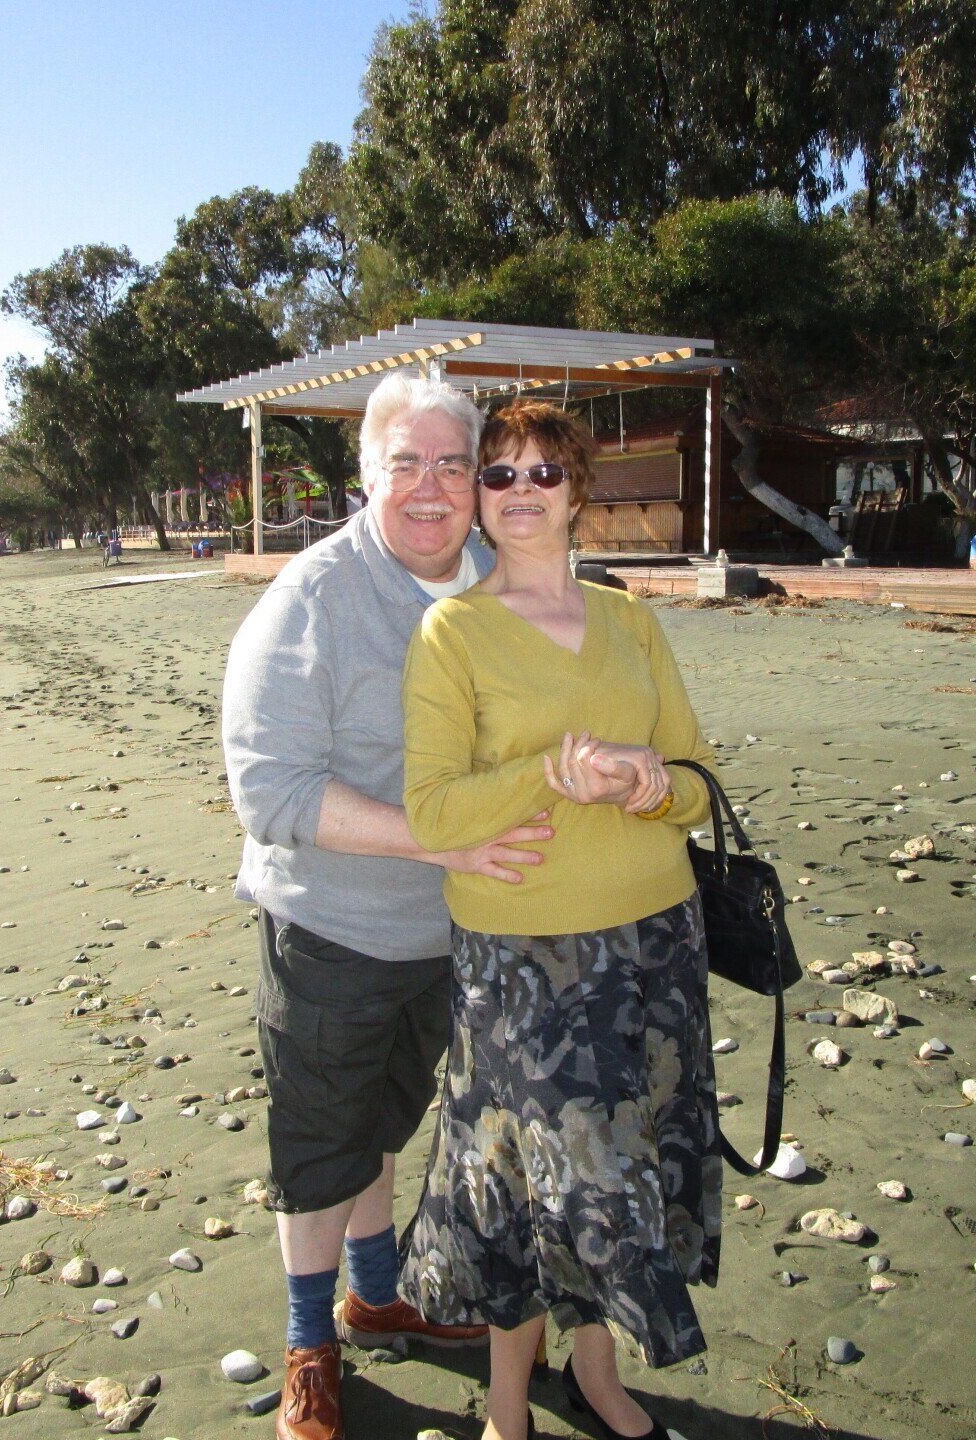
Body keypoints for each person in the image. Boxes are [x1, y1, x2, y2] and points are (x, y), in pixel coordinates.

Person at [221, 372, 557, 1440]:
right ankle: (311, 1346)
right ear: (365, 475)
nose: (428, 487)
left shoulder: (500, 587)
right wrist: (437, 835)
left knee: (386, 1120)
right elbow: (268, 789)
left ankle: (376, 1293)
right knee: (319, 1143)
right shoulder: (310, 599)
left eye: (450, 464)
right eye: (403, 463)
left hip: (454, 929)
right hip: (333, 926)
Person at [398, 401, 721, 1440]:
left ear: (580, 492)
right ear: (480, 503)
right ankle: (505, 1406)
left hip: (658, 936)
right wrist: (548, 777)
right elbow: (433, 809)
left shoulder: (633, 622)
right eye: (500, 475)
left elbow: (701, 785)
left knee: (629, 1165)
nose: (523, 491)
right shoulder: (454, 632)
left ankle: (597, 1374)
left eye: (545, 473)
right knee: (533, 1180)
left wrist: (644, 786)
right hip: (524, 955)